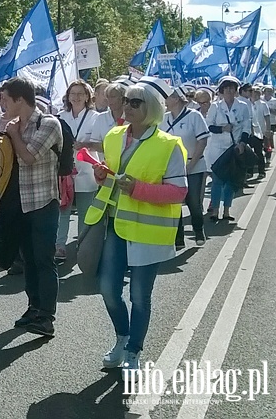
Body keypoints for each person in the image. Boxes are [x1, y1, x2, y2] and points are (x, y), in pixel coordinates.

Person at [84, 77, 188, 377]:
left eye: (134, 102)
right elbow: (112, 177)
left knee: (140, 297)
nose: (126, 106)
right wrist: (101, 176)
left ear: (152, 108)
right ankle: (122, 337)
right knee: (107, 289)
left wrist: (138, 189)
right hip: (115, 224)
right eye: (125, 100)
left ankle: (133, 351)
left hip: (148, 232)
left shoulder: (170, 145)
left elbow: (178, 191)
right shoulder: (114, 136)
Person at [0, 77, 63, 337]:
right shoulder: (13, 124)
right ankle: (33, 307)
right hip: (19, 203)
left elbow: (29, 157)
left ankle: (47, 316)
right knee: (29, 260)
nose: (2, 105)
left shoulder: (48, 123)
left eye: (5, 100)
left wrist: (12, 135)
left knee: (44, 260)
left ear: (20, 100)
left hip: (43, 202)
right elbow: (9, 163)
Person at [160, 87, 208, 248]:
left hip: (193, 165)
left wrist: (191, 165)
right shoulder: (163, 119)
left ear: (176, 98)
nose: (165, 101)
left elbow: (202, 141)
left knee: (193, 201)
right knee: (174, 202)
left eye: (167, 97)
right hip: (172, 168)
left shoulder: (194, 116)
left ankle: (198, 229)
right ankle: (178, 237)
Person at [56, 80, 98, 261]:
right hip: (65, 169)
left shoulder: (95, 117)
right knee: (63, 210)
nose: (77, 97)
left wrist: (85, 144)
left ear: (88, 96)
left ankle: (83, 245)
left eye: (81, 93)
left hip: (87, 170)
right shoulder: (60, 116)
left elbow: (102, 143)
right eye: (73, 93)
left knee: (85, 211)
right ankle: (59, 246)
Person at [204, 76, 250, 222]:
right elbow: (209, 125)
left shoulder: (243, 106)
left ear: (236, 91)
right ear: (222, 91)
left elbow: (246, 127)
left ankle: (227, 211)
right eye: (227, 89)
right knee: (217, 180)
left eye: (232, 89)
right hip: (217, 149)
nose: (229, 91)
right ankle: (215, 211)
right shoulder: (215, 107)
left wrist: (242, 143)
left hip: (234, 148)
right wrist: (222, 128)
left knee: (231, 180)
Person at [244, 83, 270, 178]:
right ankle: (249, 172)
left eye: (256, 93)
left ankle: (261, 171)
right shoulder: (247, 104)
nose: (254, 95)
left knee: (259, 152)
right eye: (253, 93)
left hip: (259, 131)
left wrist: (268, 130)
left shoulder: (263, 104)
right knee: (249, 153)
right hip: (249, 132)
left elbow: (267, 118)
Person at [262, 86, 276, 159]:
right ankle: (265, 152)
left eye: (270, 91)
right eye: (267, 91)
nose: (268, 92)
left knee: (268, 139)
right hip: (261, 123)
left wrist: (271, 110)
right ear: (264, 92)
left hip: (271, 122)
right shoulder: (260, 99)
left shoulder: (275, 101)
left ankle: (268, 155)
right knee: (262, 140)